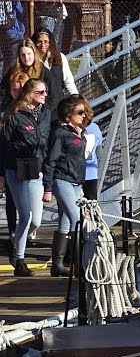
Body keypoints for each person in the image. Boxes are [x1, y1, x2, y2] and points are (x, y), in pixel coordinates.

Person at [0, 78, 52, 277]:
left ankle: (14, 244)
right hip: (17, 169)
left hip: (37, 169)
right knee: (25, 215)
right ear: (30, 93)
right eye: (40, 92)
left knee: (36, 221)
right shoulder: (15, 115)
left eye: (46, 91)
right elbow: (4, 145)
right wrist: (2, 173)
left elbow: (47, 141)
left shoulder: (46, 114)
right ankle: (20, 260)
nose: (45, 95)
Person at [42, 93, 87, 276]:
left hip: (76, 182)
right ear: (69, 114)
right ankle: (79, 265)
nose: (84, 116)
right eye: (80, 112)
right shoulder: (60, 133)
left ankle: (57, 265)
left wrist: (81, 186)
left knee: (66, 221)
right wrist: (48, 188)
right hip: (62, 179)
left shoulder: (78, 132)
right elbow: (50, 160)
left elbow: (79, 160)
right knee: (77, 218)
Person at [0, 70, 29, 262]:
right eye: (13, 90)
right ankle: (12, 236)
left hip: (30, 164)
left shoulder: (34, 110)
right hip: (9, 163)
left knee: (28, 209)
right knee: (11, 201)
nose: (15, 93)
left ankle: (22, 237)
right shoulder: (5, 109)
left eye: (19, 90)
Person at [3, 39, 61, 108]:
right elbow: (3, 91)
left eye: (29, 54)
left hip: (38, 111)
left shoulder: (44, 72)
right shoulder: (13, 71)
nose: (26, 58)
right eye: (23, 55)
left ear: (34, 54)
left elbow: (54, 97)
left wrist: (42, 113)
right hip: (15, 109)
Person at [33, 28, 76, 97]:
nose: (42, 45)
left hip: (57, 100)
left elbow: (68, 82)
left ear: (50, 42)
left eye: (45, 42)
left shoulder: (60, 57)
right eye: (39, 42)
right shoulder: (32, 60)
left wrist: (76, 98)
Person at [0, 0, 26, 65]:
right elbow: (19, 7)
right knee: (13, 59)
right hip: (12, 26)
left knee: (1, 58)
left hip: (1, 26)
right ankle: (10, 79)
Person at [82, 106, 101, 201]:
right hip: (91, 173)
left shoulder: (68, 129)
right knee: (91, 206)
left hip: (73, 175)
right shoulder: (95, 128)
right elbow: (98, 146)